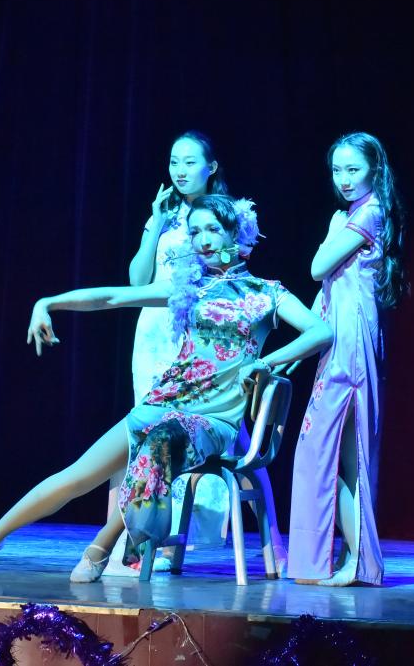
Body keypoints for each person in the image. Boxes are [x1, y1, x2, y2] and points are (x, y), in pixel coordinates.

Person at [0, 194, 331, 582]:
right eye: (195, 231)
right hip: (164, 402)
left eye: (213, 229)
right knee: (78, 476)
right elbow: (113, 297)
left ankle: (102, 543)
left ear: (235, 233)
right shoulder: (189, 289)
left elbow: (320, 331)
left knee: (160, 442)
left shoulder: (266, 293)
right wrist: (49, 302)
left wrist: (267, 361)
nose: (203, 239)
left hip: (213, 420)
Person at [116, 131, 286, 575]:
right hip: (156, 331)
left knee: (233, 436)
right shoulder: (167, 215)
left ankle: (270, 536)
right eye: (174, 161)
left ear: (211, 167)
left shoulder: (224, 214)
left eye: (190, 162)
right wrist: (155, 223)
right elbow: (136, 281)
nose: (180, 170)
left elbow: (237, 281)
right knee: (148, 434)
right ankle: (149, 536)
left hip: (205, 329)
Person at [287, 132, 408, 587]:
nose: (344, 179)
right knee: (331, 453)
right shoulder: (358, 213)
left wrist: (332, 230)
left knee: (336, 451)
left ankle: (360, 561)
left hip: (352, 340)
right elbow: (326, 289)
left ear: (375, 169)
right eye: (337, 170)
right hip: (342, 335)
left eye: (353, 169)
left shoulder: (368, 213)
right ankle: (353, 559)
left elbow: (317, 268)